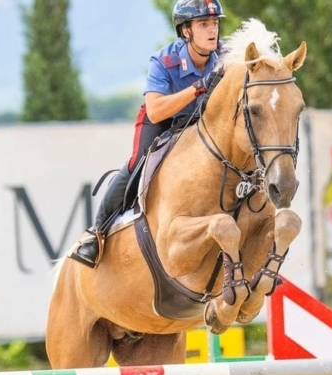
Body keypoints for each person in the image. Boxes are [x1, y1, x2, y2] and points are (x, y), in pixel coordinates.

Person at [73, 0, 225, 266]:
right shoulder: (164, 60)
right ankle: (96, 233)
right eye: (203, 24)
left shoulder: (227, 56)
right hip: (164, 120)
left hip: (203, 122)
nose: (212, 29)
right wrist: (199, 87)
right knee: (138, 164)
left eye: (214, 23)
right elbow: (155, 111)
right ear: (186, 31)